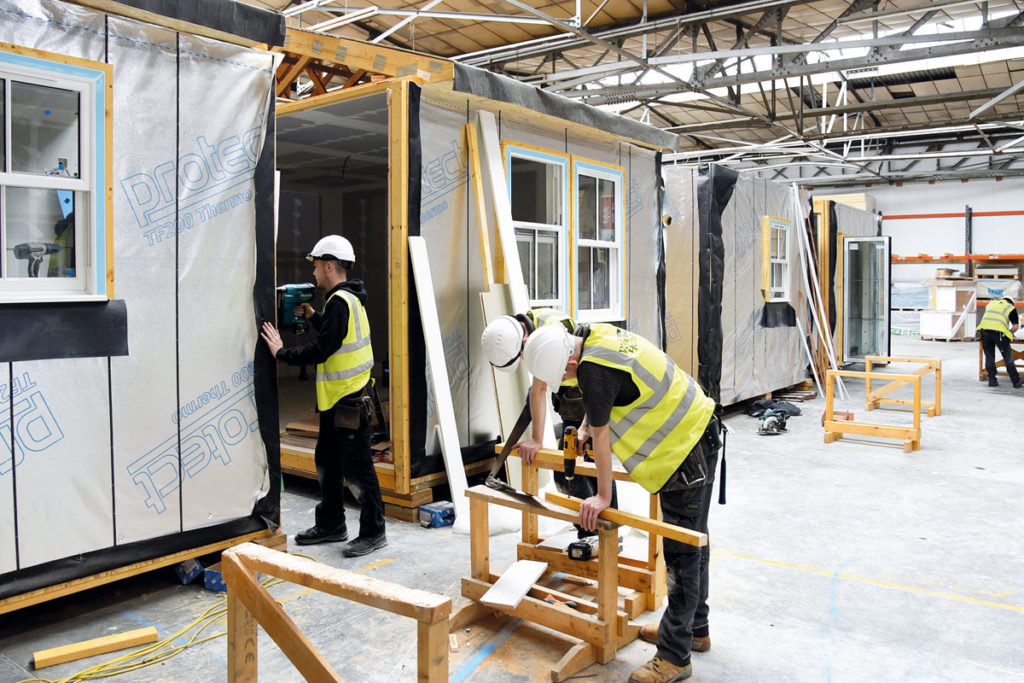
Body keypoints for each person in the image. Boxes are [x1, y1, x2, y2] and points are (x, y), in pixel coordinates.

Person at [523, 323, 722, 683]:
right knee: (695, 541)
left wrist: (601, 496)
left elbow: (602, 435)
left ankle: (674, 657)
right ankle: (695, 630)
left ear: (569, 359)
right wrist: (583, 427)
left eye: (566, 374)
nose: (568, 380)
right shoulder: (593, 337)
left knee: (682, 552)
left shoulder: (592, 370)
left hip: (686, 449)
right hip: (698, 432)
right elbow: (602, 408)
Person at [260, 234, 387, 558]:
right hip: (338, 401)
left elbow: (323, 348)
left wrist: (282, 353)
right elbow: (336, 336)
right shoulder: (344, 300)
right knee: (328, 464)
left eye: (316, 266)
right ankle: (332, 524)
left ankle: (374, 532)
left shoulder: (341, 302)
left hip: (349, 400)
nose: (314, 273)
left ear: (329, 265)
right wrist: (314, 316)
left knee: (358, 469)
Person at [480, 310, 618, 535]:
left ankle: (607, 536)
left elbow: (540, 388)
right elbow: (537, 389)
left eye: (523, 353)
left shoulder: (548, 332)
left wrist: (583, 428)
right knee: (568, 473)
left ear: (524, 341)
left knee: (594, 470)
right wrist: (536, 439)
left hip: (591, 407)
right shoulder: (524, 328)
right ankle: (589, 532)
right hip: (572, 408)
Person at [977, 294, 1022, 388]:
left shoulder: (991, 304)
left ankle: (992, 380)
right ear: (1011, 302)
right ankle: (1016, 381)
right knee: (1008, 357)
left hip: (984, 331)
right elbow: (1015, 327)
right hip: (999, 334)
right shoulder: (1010, 307)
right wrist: (1009, 333)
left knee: (989, 357)